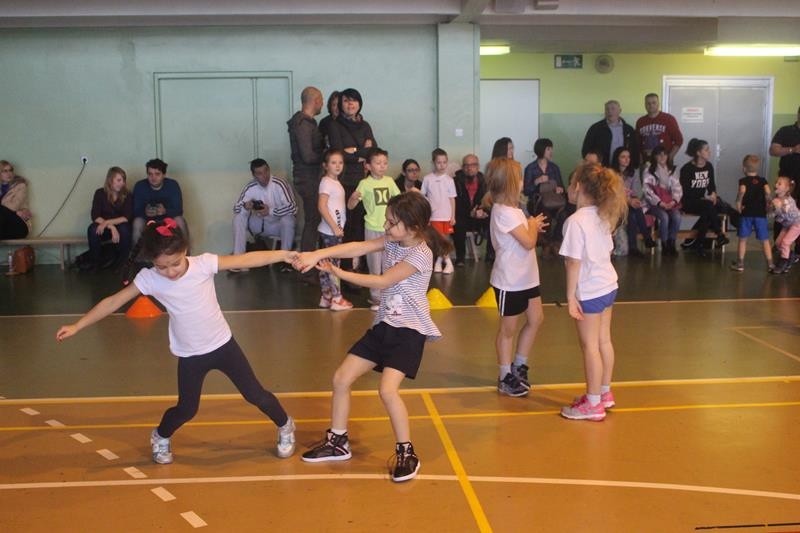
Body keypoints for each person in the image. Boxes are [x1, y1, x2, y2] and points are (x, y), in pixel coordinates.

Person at [56, 219, 297, 463]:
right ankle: (161, 436)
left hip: (223, 346)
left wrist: (284, 255)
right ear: (152, 262)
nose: (170, 272)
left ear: (185, 251)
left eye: (175, 263)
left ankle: (285, 425)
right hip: (190, 355)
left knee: (256, 395)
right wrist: (78, 325)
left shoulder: (203, 264)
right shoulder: (149, 279)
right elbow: (113, 302)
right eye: (162, 267)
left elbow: (245, 260)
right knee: (187, 409)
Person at [292, 191, 453, 483]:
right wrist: (318, 254)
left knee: (387, 391)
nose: (386, 227)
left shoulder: (421, 254)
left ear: (414, 227)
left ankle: (407, 453)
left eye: (392, 222)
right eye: (387, 220)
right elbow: (358, 246)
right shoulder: (393, 240)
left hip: (409, 331)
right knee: (341, 378)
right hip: (384, 325)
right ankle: (338, 442)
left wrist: (337, 272)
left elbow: (382, 281)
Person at [559, 163, 627, 421]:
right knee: (603, 341)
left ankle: (594, 404)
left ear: (577, 187)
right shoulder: (602, 216)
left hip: (589, 292)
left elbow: (572, 262)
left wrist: (570, 297)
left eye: (570, 183)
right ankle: (604, 392)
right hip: (608, 286)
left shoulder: (575, 222)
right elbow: (605, 250)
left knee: (590, 347)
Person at [486, 157, 546, 397]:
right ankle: (504, 376)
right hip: (509, 281)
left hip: (527, 277)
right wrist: (532, 225)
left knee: (536, 319)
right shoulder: (504, 212)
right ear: (509, 183)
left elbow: (526, 237)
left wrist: (531, 225)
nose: (522, 182)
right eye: (519, 178)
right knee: (508, 329)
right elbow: (529, 242)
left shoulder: (515, 211)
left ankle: (519, 365)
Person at [347, 148, 401, 307]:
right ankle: (375, 296)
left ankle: (388, 294)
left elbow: (399, 200)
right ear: (368, 166)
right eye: (378, 163)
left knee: (389, 264)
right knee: (374, 264)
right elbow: (350, 206)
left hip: (389, 229)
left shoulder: (389, 181)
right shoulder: (364, 183)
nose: (382, 166)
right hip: (372, 228)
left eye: (385, 163)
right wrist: (353, 198)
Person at [327, 88, 377, 255]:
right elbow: (338, 154)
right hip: (344, 181)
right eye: (346, 100)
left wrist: (353, 151)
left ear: (359, 103)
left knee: (362, 223)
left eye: (354, 100)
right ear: (341, 104)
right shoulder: (335, 125)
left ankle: (361, 262)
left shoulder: (365, 125)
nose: (350, 104)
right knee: (346, 223)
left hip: (364, 181)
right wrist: (361, 152)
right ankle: (346, 263)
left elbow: (373, 151)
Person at [232, 158, 297, 272]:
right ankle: (238, 260)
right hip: (260, 225)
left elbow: (293, 208)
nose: (264, 175)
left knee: (288, 220)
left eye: (266, 170)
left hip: (278, 225)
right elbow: (236, 209)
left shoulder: (279, 183)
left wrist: (270, 211)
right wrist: (246, 206)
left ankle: (286, 260)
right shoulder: (251, 186)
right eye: (259, 173)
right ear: (254, 175)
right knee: (239, 217)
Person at [287, 86, 325, 254]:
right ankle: (306, 263)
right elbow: (308, 156)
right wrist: (326, 156)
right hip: (308, 178)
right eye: (321, 101)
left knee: (313, 219)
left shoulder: (304, 123)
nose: (322, 105)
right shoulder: (303, 124)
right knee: (313, 220)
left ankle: (308, 260)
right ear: (316, 101)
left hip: (308, 177)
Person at [679, 138, 729, 256]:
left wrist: (713, 194)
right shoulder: (687, 169)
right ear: (698, 153)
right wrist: (704, 199)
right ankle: (719, 233)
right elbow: (685, 192)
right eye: (706, 150)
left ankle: (699, 244)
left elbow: (711, 186)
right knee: (708, 206)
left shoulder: (709, 166)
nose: (709, 152)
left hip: (703, 203)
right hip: (688, 202)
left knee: (707, 211)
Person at [317, 150, 353, 310]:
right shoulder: (326, 182)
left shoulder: (334, 182)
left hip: (331, 231)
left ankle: (326, 296)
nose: (338, 165)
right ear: (325, 165)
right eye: (333, 162)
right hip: (331, 232)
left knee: (326, 264)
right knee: (333, 266)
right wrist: (334, 227)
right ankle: (337, 298)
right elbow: (322, 206)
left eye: (340, 162)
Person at [523, 138, 566, 258]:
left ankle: (554, 242)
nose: (551, 151)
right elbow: (526, 191)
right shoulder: (530, 168)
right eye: (548, 149)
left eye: (551, 149)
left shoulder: (554, 168)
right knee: (545, 213)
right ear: (541, 150)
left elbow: (562, 186)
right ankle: (547, 244)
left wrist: (559, 189)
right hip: (537, 202)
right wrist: (536, 182)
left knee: (563, 215)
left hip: (554, 200)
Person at [730, 155, 773, 272]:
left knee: (743, 239)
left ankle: (740, 264)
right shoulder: (763, 181)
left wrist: (738, 202)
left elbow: (742, 191)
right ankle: (770, 264)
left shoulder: (743, 181)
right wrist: (769, 204)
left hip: (747, 214)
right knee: (765, 240)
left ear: (744, 168)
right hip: (760, 214)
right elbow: (768, 192)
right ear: (757, 169)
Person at [611, 147, 654, 257]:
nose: (627, 159)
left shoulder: (633, 172)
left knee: (633, 213)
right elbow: (613, 194)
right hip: (615, 205)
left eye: (628, 157)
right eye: (623, 157)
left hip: (629, 205)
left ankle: (634, 248)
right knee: (633, 212)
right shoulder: (611, 173)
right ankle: (646, 237)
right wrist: (629, 200)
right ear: (617, 158)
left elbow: (637, 190)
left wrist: (634, 199)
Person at [132, 159, 187, 244]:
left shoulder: (172, 185)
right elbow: (135, 211)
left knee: (180, 220)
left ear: (164, 175)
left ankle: (185, 251)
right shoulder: (140, 186)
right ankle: (136, 252)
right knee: (137, 222)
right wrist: (145, 212)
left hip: (167, 219)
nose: (153, 177)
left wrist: (165, 211)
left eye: (157, 174)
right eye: (150, 174)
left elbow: (179, 210)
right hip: (147, 220)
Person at [87, 166, 133, 269]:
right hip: (104, 227)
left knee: (124, 229)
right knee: (93, 229)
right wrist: (111, 227)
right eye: (119, 180)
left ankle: (123, 263)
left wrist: (107, 223)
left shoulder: (127, 194)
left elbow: (126, 217)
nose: (122, 183)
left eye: (123, 180)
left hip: (120, 226)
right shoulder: (100, 193)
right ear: (110, 180)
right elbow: (95, 215)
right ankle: (95, 262)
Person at [421, 148, 457, 274]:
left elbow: (452, 199)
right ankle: (448, 263)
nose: (442, 165)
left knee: (444, 241)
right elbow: (423, 197)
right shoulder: (427, 179)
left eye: (444, 162)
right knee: (438, 240)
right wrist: (426, 216)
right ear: (433, 163)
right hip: (434, 216)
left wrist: (453, 216)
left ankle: (438, 263)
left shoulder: (449, 180)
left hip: (446, 216)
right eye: (439, 162)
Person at [768, 106, 800, 244]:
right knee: (782, 210)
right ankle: (778, 245)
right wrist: (793, 149)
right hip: (786, 180)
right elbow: (773, 150)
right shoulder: (785, 130)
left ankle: (798, 249)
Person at [643, 146, 682, 256]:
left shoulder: (672, 170)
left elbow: (677, 188)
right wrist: (660, 203)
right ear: (654, 156)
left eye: (664, 154)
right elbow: (647, 190)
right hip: (653, 204)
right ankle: (664, 244)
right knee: (664, 217)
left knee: (677, 216)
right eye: (659, 154)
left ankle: (672, 242)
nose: (662, 156)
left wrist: (674, 201)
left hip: (670, 203)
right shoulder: (649, 171)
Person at [453, 154, 488, 266]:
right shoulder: (455, 182)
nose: (469, 168)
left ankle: (491, 255)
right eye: (466, 165)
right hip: (463, 216)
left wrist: (483, 211)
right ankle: (460, 257)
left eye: (473, 165)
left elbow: (489, 200)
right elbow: (455, 204)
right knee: (458, 222)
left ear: (478, 167)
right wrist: (470, 213)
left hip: (480, 216)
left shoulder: (485, 181)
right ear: (462, 167)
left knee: (494, 219)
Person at [581, 100, 640, 167]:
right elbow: (586, 149)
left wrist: (634, 166)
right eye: (607, 109)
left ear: (619, 111)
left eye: (613, 108)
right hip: (601, 168)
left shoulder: (629, 129)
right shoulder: (595, 128)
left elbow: (634, 149)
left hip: (623, 169)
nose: (609, 111)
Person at [635, 93, 684, 164]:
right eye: (648, 103)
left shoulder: (669, 119)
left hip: (664, 163)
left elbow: (679, 140)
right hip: (647, 162)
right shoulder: (640, 121)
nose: (651, 105)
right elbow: (637, 143)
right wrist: (641, 160)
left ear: (658, 104)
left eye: (654, 103)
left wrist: (670, 157)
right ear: (645, 105)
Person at [769, 176, 800, 274]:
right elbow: (772, 215)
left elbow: (789, 217)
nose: (776, 185)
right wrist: (773, 208)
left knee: (785, 242)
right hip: (787, 225)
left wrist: (779, 208)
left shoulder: (789, 201)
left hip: (796, 224)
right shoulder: (776, 199)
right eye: (776, 182)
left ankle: (783, 264)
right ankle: (791, 256)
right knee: (778, 243)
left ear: (786, 188)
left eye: (779, 184)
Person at [0, 160, 32, 239]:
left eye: (10, 170)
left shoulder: (20, 186)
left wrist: (15, 212)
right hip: (4, 228)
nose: (9, 173)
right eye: (5, 171)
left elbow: (14, 206)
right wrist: (17, 212)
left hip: (19, 226)